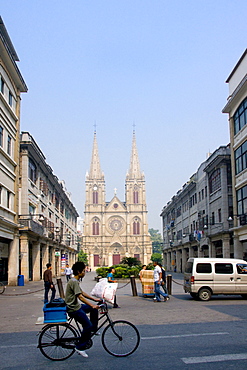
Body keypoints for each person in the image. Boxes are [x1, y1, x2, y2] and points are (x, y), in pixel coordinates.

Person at [65, 261, 101, 358]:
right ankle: (80, 347)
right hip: (74, 309)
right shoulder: (73, 282)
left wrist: (94, 300)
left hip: (76, 306)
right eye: (83, 271)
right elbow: (80, 297)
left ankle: (93, 329)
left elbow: (82, 293)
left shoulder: (75, 281)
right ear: (78, 271)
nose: (85, 273)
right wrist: (92, 305)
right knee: (87, 325)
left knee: (93, 310)